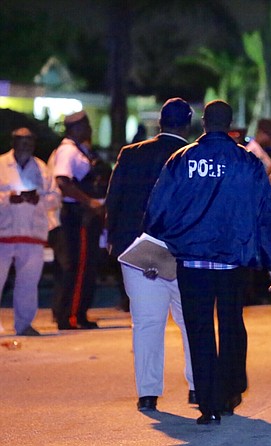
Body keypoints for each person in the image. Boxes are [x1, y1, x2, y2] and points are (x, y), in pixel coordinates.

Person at [143, 100, 271, 425]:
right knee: (232, 324)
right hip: (232, 262)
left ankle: (208, 404)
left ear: (204, 123)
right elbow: (265, 213)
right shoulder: (247, 162)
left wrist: (159, 242)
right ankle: (230, 391)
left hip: (192, 263)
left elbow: (156, 210)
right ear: (230, 124)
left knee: (199, 331)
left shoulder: (181, 160)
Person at [105, 98, 196, 412]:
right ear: (188, 124)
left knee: (146, 323)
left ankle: (148, 394)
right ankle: (197, 388)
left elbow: (113, 200)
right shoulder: (191, 157)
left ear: (160, 122)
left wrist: (113, 241)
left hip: (138, 250)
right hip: (181, 250)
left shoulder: (131, 154)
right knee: (190, 321)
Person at [50, 111, 108, 330]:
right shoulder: (67, 151)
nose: (89, 129)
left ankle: (77, 314)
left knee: (85, 265)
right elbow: (63, 182)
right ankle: (71, 316)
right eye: (86, 125)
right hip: (78, 216)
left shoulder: (80, 150)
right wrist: (90, 202)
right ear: (77, 127)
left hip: (84, 216)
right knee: (79, 266)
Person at [0, 128, 59, 336]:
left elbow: (55, 197)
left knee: (28, 283)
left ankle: (24, 324)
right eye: (21, 141)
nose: (26, 145)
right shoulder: (1, 164)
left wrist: (39, 200)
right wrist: (8, 198)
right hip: (4, 233)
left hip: (33, 235)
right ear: (13, 142)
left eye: (29, 141)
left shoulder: (42, 168)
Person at [244, 118, 271, 306]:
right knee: (261, 252)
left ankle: (264, 292)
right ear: (261, 133)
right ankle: (257, 293)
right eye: (269, 135)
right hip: (258, 209)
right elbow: (256, 179)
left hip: (266, 206)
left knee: (266, 251)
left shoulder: (260, 151)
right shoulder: (251, 152)